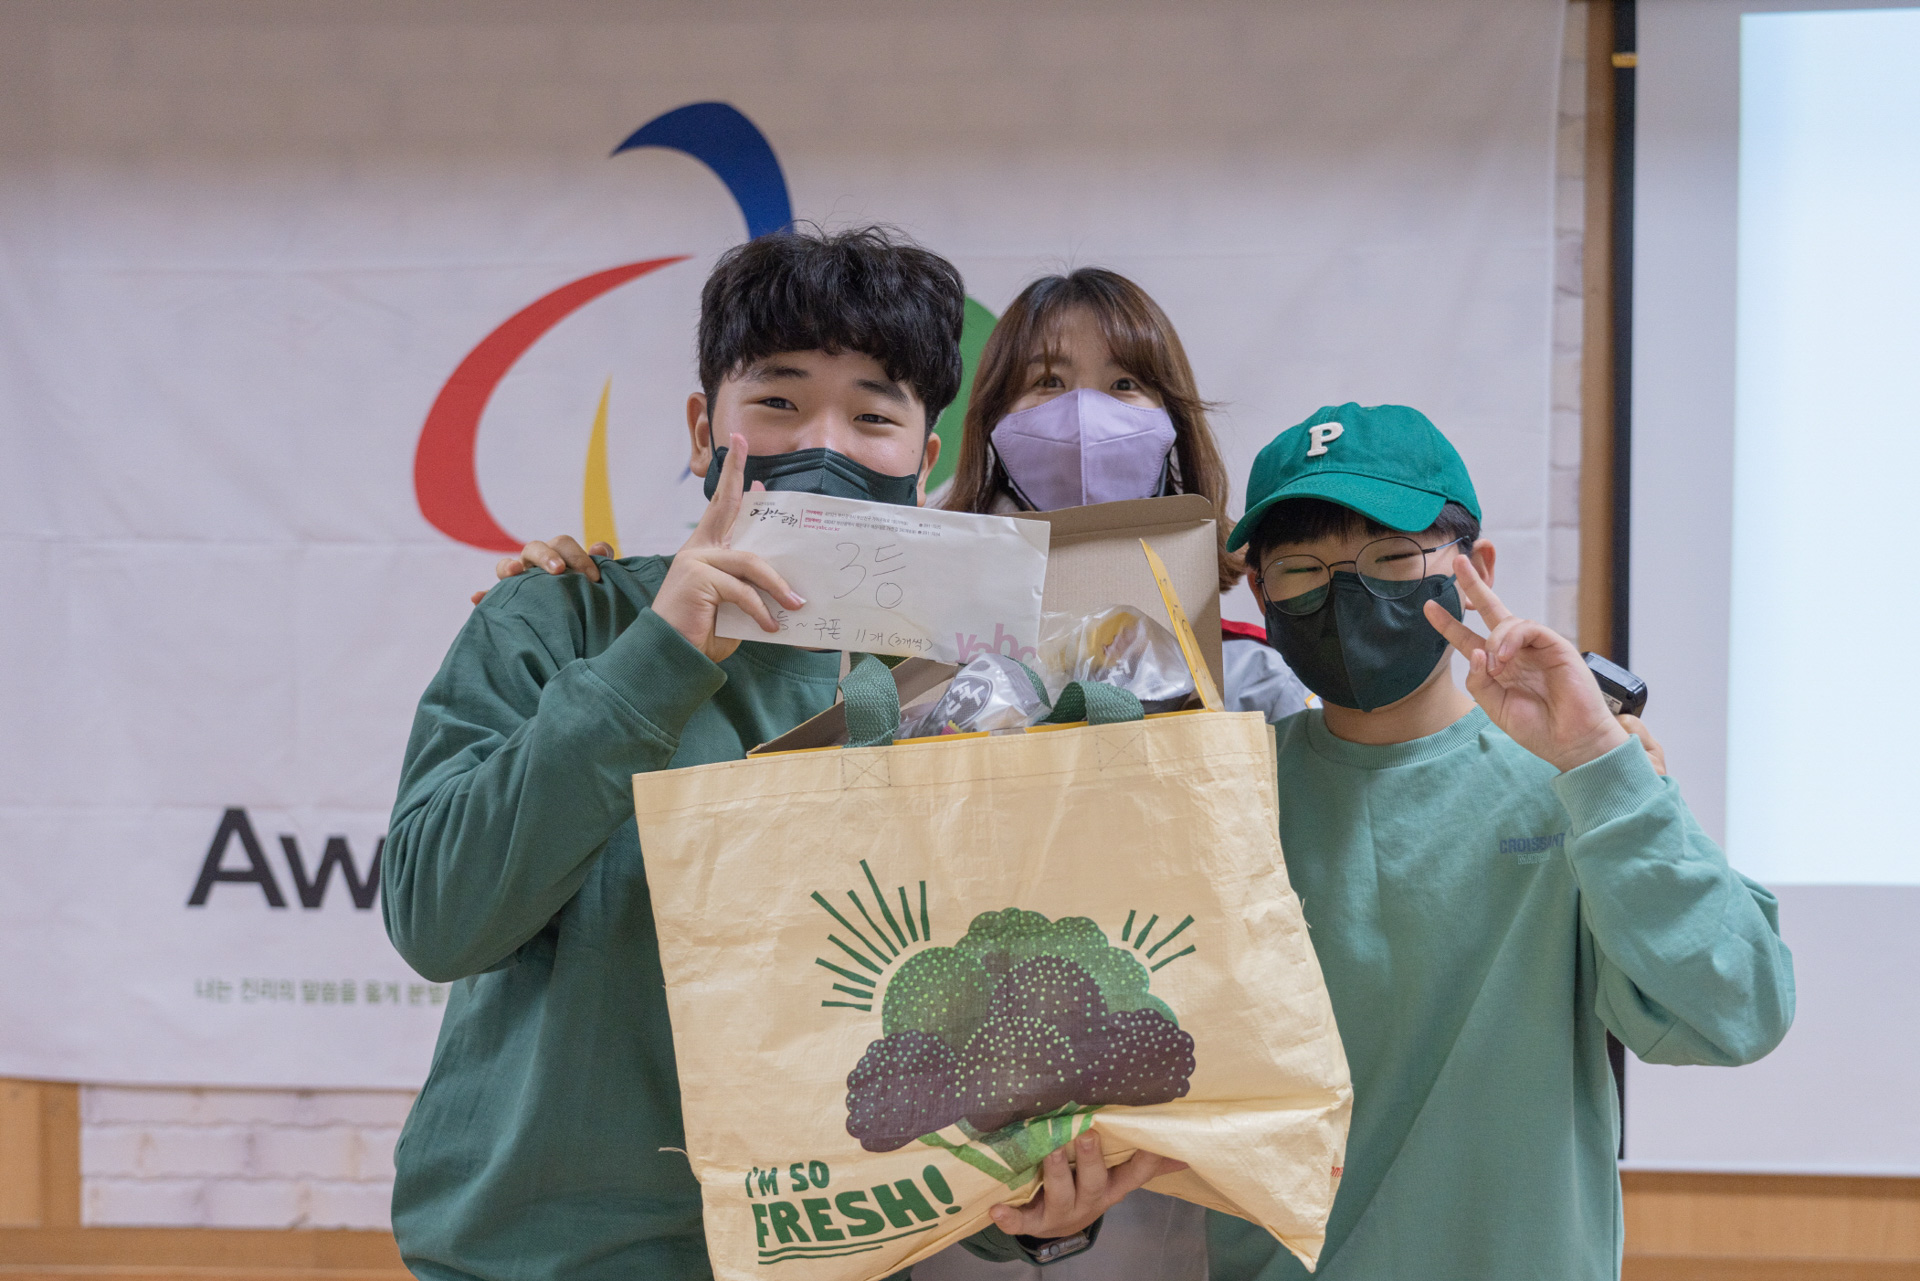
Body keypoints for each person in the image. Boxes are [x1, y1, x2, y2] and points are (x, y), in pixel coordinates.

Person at [388, 226, 1179, 1281]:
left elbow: (950, 1017)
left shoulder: (970, 690)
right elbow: (439, 918)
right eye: (778, 401)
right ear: (701, 428)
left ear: (925, 459)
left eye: (873, 415)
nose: (826, 444)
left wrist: (1023, 1206)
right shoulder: (560, 620)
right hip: (543, 1260)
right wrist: (655, 658)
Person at [1206, 402, 1795, 1281]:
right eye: (1301, 568)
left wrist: (1603, 769)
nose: (1346, 591)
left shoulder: (1577, 779)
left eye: (1391, 556)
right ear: (1261, 594)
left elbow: (1739, 1008)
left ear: (1474, 568)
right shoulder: (1224, 797)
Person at [495, 268, 1310, 730]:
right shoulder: (924, 640)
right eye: (1048, 383)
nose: (1084, 418)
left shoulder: (1246, 665)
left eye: (1125, 385)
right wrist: (605, 614)